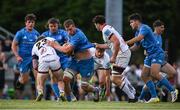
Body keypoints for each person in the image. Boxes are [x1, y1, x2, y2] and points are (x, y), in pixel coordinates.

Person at [126, 13, 178, 103]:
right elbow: (136, 46)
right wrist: (126, 49)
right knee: (144, 76)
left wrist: (125, 42)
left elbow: (139, 38)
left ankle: (173, 90)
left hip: (156, 54)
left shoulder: (144, 28)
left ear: (137, 21)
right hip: (150, 56)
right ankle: (154, 96)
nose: (130, 24)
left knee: (155, 74)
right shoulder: (137, 32)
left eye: (131, 22)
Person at [48, 19, 99, 102]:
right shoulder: (70, 34)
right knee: (65, 79)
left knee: (84, 87)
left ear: (74, 27)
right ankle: (71, 98)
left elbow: (66, 50)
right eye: (67, 30)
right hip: (74, 61)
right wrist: (66, 45)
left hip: (86, 63)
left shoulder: (79, 35)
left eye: (71, 29)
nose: (69, 32)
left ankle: (95, 90)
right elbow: (68, 48)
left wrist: (54, 45)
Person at [92, 15, 136, 102]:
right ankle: (133, 91)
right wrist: (98, 45)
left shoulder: (105, 30)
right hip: (124, 52)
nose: (95, 26)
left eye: (95, 24)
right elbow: (111, 44)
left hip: (122, 54)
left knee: (115, 79)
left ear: (97, 24)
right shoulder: (107, 28)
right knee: (118, 76)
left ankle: (132, 97)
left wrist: (114, 56)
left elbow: (116, 42)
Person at [41, 18, 69, 101]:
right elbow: (40, 46)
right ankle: (59, 96)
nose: (53, 28)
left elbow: (69, 41)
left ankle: (69, 95)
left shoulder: (63, 33)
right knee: (53, 77)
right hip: (52, 58)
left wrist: (66, 44)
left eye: (55, 26)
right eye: (51, 26)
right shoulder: (44, 35)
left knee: (67, 76)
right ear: (48, 26)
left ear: (58, 26)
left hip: (64, 58)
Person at [11, 13, 40, 88]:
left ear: (34, 23)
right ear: (26, 23)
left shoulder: (36, 34)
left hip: (34, 58)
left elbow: (40, 46)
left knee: (38, 77)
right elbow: (13, 45)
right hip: (23, 59)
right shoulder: (20, 33)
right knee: (25, 80)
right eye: (29, 22)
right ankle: (20, 80)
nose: (30, 24)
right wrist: (17, 56)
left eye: (32, 22)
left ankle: (39, 95)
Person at [32, 36, 64, 101]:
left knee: (39, 82)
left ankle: (40, 92)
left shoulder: (34, 47)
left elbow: (34, 65)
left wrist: (41, 72)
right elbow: (59, 47)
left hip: (43, 60)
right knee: (60, 79)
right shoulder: (49, 38)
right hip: (54, 59)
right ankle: (61, 93)